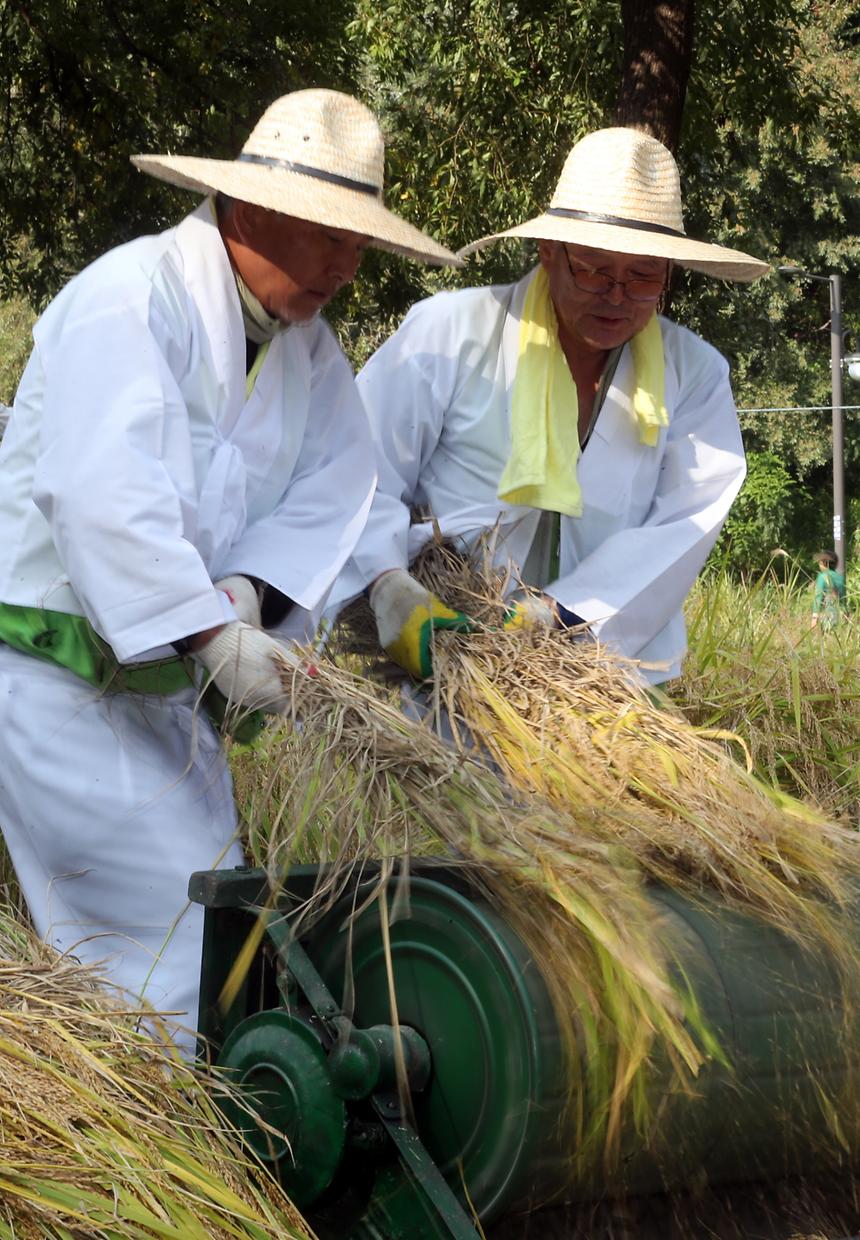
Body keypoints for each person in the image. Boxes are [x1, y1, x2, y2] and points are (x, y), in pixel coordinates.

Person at [0, 88, 457, 1054]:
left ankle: (184, 1121)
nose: (344, 263)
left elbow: (333, 489)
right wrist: (210, 631)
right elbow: (97, 494)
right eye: (326, 233)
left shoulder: (309, 353)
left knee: (220, 924)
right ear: (248, 209)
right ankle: (150, 1162)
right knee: (167, 959)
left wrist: (246, 594)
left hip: (170, 697)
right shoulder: (129, 300)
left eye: (359, 243)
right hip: (57, 682)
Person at [332, 126, 769, 685]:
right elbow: (358, 471)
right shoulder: (451, 333)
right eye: (593, 269)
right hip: (451, 653)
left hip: (609, 673)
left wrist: (562, 613)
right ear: (548, 250)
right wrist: (386, 581)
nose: (616, 296)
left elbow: (688, 520)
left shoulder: (695, 374)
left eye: (642, 277)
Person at [811, 550, 846, 630]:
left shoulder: (823, 576)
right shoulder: (841, 578)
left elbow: (818, 597)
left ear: (824, 563)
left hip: (828, 617)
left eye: (820, 561)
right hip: (841, 616)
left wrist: (814, 617)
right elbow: (843, 598)